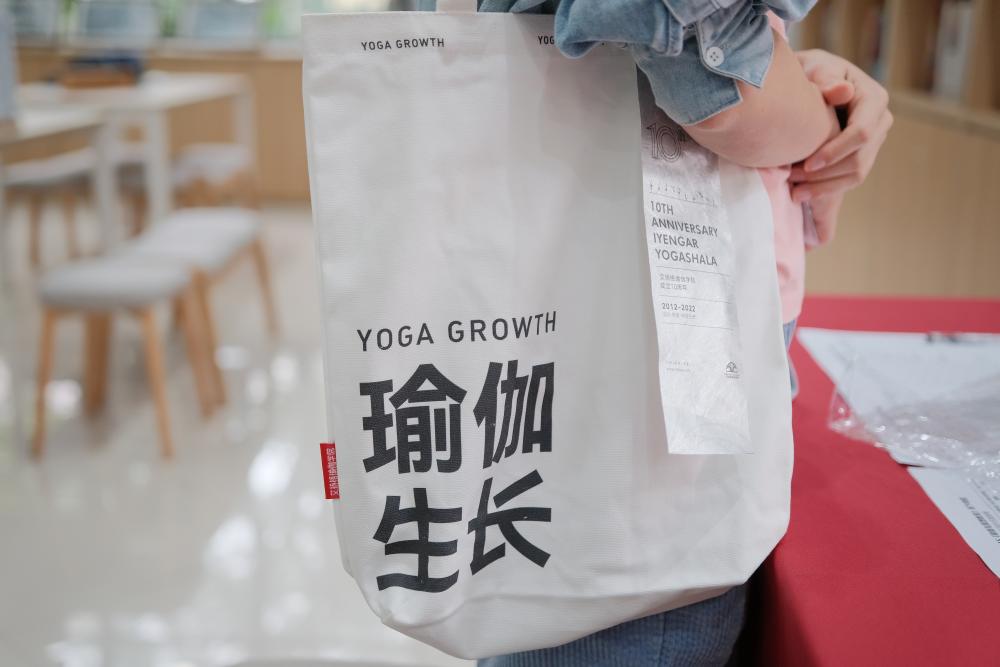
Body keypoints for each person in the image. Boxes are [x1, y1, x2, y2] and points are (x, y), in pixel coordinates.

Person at [466, 1, 891, 665]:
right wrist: (818, 116)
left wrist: (794, 74)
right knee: (626, 614)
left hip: (604, 313)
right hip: (660, 337)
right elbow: (716, 85)